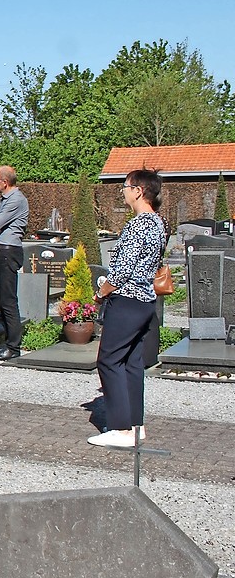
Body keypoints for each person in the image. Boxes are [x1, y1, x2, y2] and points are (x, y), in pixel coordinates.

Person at [88, 169, 167, 449]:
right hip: (146, 301)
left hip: (128, 300)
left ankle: (121, 429)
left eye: (125, 186)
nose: (122, 191)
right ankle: (136, 424)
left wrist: (101, 291)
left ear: (138, 191)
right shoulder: (159, 223)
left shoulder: (138, 225)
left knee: (109, 361)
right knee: (133, 363)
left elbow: (121, 272)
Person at [0, 166, 30, 361]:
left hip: (7, 252)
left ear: (5, 182)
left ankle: (13, 347)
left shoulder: (16, 200)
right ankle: (5, 341)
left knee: (8, 301)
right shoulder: (5, 200)